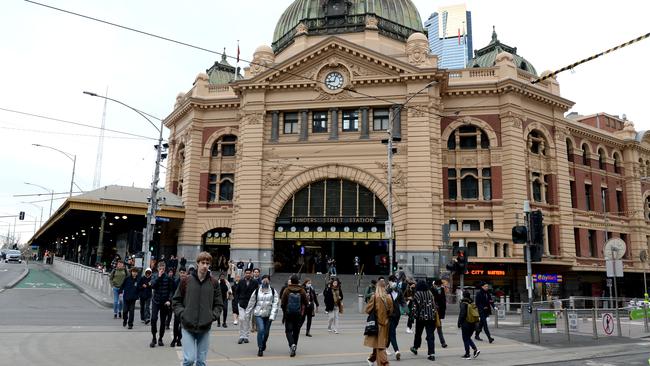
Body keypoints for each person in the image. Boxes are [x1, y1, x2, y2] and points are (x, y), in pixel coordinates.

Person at [172, 251, 223, 366]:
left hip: (205, 327)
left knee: (201, 361)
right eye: (203, 263)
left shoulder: (214, 283)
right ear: (197, 263)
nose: (205, 266)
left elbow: (219, 304)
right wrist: (183, 314)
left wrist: (212, 316)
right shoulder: (186, 281)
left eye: (207, 263)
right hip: (187, 326)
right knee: (189, 359)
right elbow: (176, 301)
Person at [245, 274, 278, 357]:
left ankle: (263, 343)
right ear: (261, 281)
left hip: (268, 315)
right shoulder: (256, 291)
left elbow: (275, 304)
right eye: (264, 279)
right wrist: (247, 314)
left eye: (267, 280)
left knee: (266, 333)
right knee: (261, 330)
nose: (265, 281)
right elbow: (251, 303)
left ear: (269, 281)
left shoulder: (273, 291)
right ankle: (260, 348)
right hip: (258, 314)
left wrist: (272, 316)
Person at [364, 279, 393, 366]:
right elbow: (391, 311)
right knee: (379, 344)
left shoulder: (374, 297)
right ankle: (372, 359)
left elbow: (367, 310)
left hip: (377, 324)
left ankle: (384, 364)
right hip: (385, 324)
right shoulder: (389, 297)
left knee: (380, 346)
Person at [281, 275, 308, 357]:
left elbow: (282, 303)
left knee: (288, 331)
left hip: (288, 314)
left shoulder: (287, 290)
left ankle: (291, 344)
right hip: (298, 314)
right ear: (298, 282)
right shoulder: (302, 290)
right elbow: (306, 302)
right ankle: (294, 346)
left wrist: (285, 311)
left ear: (291, 281)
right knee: (296, 331)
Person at [409, 280, 437, 361]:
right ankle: (431, 354)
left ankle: (415, 347)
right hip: (431, 317)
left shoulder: (417, 294)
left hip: (421, 317)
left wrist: (412, 317)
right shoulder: (430, 293)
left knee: (418, 333)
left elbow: (414, 307)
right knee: (430, 335)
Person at [150, 261, 175, 348]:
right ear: (158, 269)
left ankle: (160, 338)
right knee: (153, 319)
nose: (162, 270)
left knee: (163, 321)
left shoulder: (168, 278)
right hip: (155, 301)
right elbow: (152, 285)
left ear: (165, 269)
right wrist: (159, 277)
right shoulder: (154, 275)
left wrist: (169, 300)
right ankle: (154, 338)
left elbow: (171, 290)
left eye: (163, 269)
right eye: (160, 269)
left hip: (164, 302)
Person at [236, 268, 259, 344]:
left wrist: (255, 303)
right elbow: (237, 292)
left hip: (250, 304)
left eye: (249, 273)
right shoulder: (241, 281)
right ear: (244, 273)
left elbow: (257, 293)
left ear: (251, 274)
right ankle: (241, 336)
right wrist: (238, 301)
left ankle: (246, 336)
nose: (248, 274)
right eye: (246, 273)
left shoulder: (255, 282)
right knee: (241, 319)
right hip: (241, 303)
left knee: (247, 320)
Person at [386, 275, 405, 360]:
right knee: (392, 333)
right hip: (389, 315)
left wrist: (407, 311)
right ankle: (397, 351)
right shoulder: (386, 291)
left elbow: (403, 302)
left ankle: (385, 347)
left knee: (391, 332)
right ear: (389, 282)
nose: (394, 282)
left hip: (397, 315)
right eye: (393, 281)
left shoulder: (399, 291)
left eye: (395, 281)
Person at [458, 291, 480, 360]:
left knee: (465, 338)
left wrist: (459, 322)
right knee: (467, 338)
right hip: (473, 323)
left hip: (466, 323)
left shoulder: (463, 303)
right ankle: (475, 349)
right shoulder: (472, 302)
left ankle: (467, 354)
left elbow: (462, 314)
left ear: (463, 296)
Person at [171, 267, 187, 347]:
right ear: (179, 273)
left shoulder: (188, 282)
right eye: (181, 272)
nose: (182, 274)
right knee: (176, 324)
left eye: (184, 272)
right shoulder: (176, 282)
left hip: (185, 306)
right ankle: (174, 338)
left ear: (186, 273)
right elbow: (173, 293)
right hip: (177, 306)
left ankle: (179, 339)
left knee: (182, 325)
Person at [432, 279, 448, 348]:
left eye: (439, 285)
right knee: (438, 326)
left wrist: (443, 311)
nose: (439, 286)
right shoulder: (432, 290)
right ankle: (443, 342)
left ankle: (429, 336)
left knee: (436, 326)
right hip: (434, 310)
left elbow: (443, 301)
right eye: (438, 285)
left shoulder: (442, 290)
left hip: (439, 311)